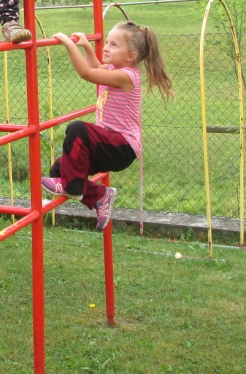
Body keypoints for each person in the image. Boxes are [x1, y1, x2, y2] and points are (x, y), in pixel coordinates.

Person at [42, 22, 174, 230]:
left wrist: (69, 44)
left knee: (77, 129)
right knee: (59, 169)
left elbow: (87, 74)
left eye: (114, 45)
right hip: (107, 142)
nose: (106, 47)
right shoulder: (114, 69)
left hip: (122, 146)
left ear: (131, 56)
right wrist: (86, 46)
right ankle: (100, 195)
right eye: (107, 42)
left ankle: (74, 187)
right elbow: (96, 68)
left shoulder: (127, 76)